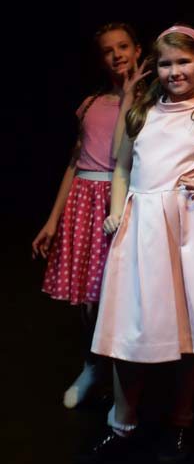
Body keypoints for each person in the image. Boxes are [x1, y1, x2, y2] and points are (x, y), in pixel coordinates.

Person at [85, 25, 194, 464]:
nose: (175, 71)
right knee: (129, 329)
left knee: (190, 331)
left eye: (184, 62)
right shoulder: (141, 113)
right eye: (166, 63)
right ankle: (122, 422)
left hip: (188, 234)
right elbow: (123, 168)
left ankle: (181, 420)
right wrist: (118, 210)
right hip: (141, 231)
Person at [32, 22, 145, 408]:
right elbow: (74, 162)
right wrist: (52, 220)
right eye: (108, 50)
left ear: (138, 50)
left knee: (122, 294)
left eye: (123, 46)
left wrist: (131, 98)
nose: (117, 55)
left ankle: (124, 378)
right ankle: (93, 365)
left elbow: (125, 157)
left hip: (122, 198)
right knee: (89, 298)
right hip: (85, 200)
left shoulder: (152, 101)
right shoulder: (91, 103)